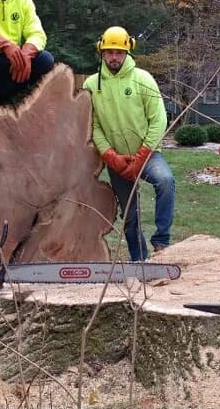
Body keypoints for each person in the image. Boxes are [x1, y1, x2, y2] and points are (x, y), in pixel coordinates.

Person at [83, 26, 175, 262]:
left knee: (165, 180)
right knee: (130, 216)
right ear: (101, 52)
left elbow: (159, 119)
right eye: (109, 52)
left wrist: (143, 153)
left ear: (127, 52)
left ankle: (161, 241)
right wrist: (110, 155)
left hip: (147, 154)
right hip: (117, 159)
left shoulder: (143, 79)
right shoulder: (92, 86)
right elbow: (92, 126)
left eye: (119, 52)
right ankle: (139, 260)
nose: (114, 57)